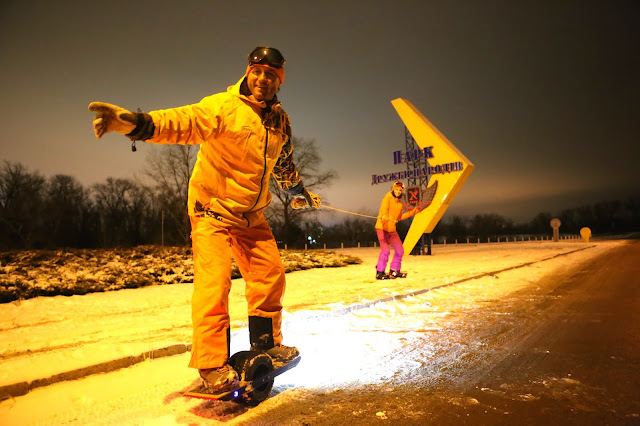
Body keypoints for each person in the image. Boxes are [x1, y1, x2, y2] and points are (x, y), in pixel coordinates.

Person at [88, 47, 321, 392]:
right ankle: (212, 364)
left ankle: (265, 344)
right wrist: (136, 124)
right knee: (215, 284)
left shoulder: (279, 119)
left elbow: (283, 159)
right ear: (248, 72)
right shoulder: (223, 107)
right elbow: (182, 122)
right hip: (212, 209)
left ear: (279, 80)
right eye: (257, 72)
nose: (263, 79)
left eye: (271, 75)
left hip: (251, 214)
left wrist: (298, 190)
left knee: (270, 277)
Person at [374, 181, 420, 280]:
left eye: (400, 190)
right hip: (382, 227)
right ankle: (380, 272)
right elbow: (384, 210)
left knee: (400, 250)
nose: (398, 192)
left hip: (392, 230)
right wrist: (384, 216)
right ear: (393, 189)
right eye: (396, 189)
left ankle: (394, 270)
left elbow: (399, 217)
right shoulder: (387, 198)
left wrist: (412, 212)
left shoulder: (399, 204)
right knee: (385, 251)